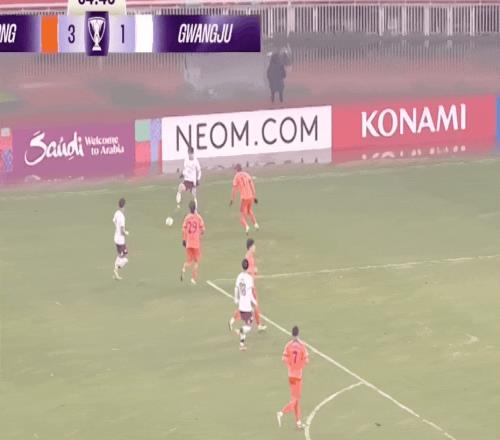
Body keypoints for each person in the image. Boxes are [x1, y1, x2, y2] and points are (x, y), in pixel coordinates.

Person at [229, 239, 266, 332]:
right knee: (254, 304)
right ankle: (258, 325)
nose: (255, 247)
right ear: (250, 247)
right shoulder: (248, 257)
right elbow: (247, 270)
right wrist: (253, 270)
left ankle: (233, 320)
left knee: (249, 305)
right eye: (254, 245)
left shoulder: (250, 256)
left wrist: (254, 272)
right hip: (250, 285)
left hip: (250, 284)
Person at [277, 326, 309, 430]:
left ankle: (298, 422)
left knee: (295, 400)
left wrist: (291, 366)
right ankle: (281, 412)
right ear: (298, 334)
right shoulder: (302, 346)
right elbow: (306, 361)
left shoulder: (288, 345)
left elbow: (284, 359)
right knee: (295, 400)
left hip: (290, 375)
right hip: (298, 376)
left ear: (292, 334)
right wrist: (299, 366)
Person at [233, 258, 258, 351]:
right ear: (248, 267)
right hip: (247, 306)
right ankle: (239, 331)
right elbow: (250, 293)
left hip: (241, 305)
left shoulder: (239, 276)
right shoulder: (249, 278)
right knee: (248, 326)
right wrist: (254, 302)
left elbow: (236, 288)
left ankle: (241, 345)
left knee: (245, 325)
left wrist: (236, 298)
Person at [230, 164, 259, 234]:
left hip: (244, 198)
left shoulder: (236, 176)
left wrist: (232, 199)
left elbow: (234, 189)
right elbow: (252, 185)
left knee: (242, 216)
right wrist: (254, 196)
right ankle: (256, 224)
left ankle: (246, 227)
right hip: (250, 196)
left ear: (236, 169)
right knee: (249, 210)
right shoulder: (247, 174)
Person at [181, 200, 205, 285]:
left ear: (189, 208)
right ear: (195, 208)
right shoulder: (199, 217)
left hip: (188, 242)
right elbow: (203, 229)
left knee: (190, 261)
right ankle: (193, 278)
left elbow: (183, 229)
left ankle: (184, 267)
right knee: (196, 261)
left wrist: (184, 240)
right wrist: (200, 233)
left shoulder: (187, 218)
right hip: (196, 243)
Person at [113, 198, 130, 280]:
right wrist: (126, 233)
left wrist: (117, 228)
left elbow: (114, 221)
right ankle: (116, 268)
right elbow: (122, 231)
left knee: (121, 254)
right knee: (125, 257)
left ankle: (116, 270)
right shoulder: (122, 217)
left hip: (116, 238)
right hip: (120, 240)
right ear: (124, 206)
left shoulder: (116, 213)